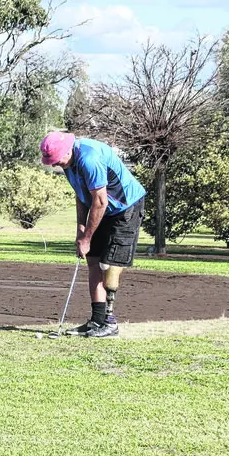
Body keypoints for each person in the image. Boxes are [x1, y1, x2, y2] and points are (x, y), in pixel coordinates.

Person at [40, 130, 147, 338]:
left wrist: (88, 238)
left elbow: (100, 201)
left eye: (55, 159)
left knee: (109, 265)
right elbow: (82, 197)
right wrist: (81, 231)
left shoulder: (89, 158)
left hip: (125, 208)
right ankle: (97, 321)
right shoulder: (70, 164)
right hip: (103, 210)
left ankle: (110, 323)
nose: (54, 164)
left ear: (67, 150)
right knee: (93, 261)